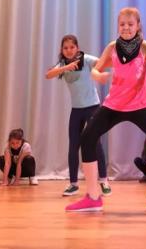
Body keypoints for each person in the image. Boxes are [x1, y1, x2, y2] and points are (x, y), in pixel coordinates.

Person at [65, 7, 146, 212]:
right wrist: (98, 75)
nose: (126, 27)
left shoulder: (145, 47)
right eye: (122, 24)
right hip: (114, 105)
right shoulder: (112, 47)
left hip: (139, 105)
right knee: (87, 138)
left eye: (130, 24)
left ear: (138, 26)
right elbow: (96, 69)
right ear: (118, 26)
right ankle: (93, 197)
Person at [45, 34, 111, 197]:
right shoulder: (62, 65)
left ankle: (103, 180)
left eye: (72, 47)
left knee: (96, 144)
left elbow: (104, 63)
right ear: (62, 50)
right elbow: (48, 75)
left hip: (93, 108)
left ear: (77, 48)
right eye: (65, 48)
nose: (69, 50)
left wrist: (113, 64)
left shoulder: (86, 59)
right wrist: (65, 67)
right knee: (73, 146)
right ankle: (73, 184)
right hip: (77, 110)